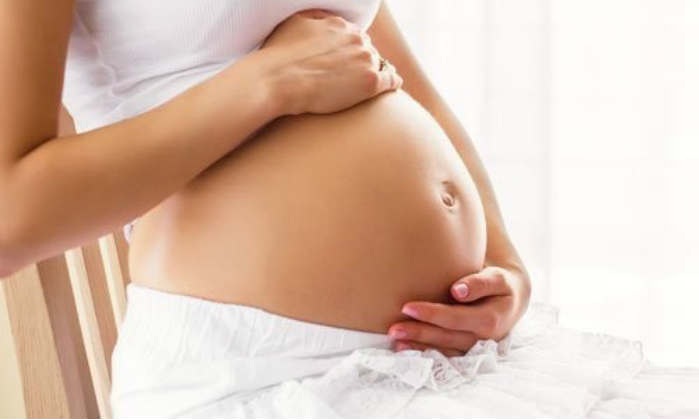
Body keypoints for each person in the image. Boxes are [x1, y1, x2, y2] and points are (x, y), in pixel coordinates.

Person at [1, 1, 697, 418]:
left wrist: (504, 265)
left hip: (443, 361)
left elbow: (394, 78)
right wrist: (263, 85)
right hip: (269, 377)